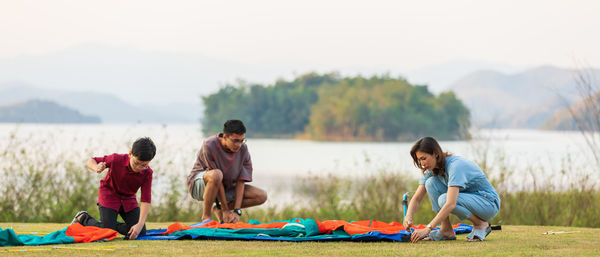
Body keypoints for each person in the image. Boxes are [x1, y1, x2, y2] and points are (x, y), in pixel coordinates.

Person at [403, 137, 500, 243]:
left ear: (435, 153)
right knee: (430, 183)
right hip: (472, 200)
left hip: (488, 203)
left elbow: (450, 204)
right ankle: (446, 230)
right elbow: (417, 198)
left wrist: (428, 229)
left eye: (424, 158)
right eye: (419, 160)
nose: (422, 163)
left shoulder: (455, 166)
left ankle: (480, 224)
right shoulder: (432, 169)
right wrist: (408, 216)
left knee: (444, 200)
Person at [71, 137, 156, 240]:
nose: (138, 168)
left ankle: (110, 226)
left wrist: (140, 224)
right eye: (136, 163)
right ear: (130, 154)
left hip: (128, 199)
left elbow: (145, 200)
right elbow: (91, 161)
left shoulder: (147, 173)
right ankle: (83, 218)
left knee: (140, 232)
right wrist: (96, 168)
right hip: (109, 195)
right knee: (107, 233)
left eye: (144, 165)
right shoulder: (116, 159)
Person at [187, 120, 267, 223]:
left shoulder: (243, 150)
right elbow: (216, 178)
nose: (239, 145)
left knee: (261, 196)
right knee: (216, 174)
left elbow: (241, 181)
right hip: (199, 186)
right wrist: (225, 210)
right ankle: (206, 218)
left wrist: (236, 211)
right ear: (225, 137)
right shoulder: (209, 144)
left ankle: (218, 209)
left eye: (242, 140)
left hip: (225, 187)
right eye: (235, 141)